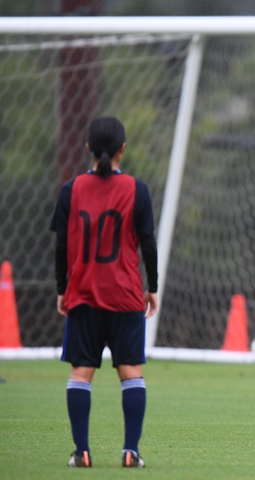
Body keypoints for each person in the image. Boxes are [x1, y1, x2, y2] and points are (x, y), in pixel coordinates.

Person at [50, 116, 159, 467]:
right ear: (122, 150)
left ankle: (81, 452)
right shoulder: (136, 190)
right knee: (131, 372)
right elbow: (148, 244)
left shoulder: (72, 189)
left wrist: (61, 288)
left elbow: (61, 244)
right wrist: (152, 286)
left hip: (83, 293)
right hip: (126, 295)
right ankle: (131, 451)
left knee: (81, 373)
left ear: (88, 149)